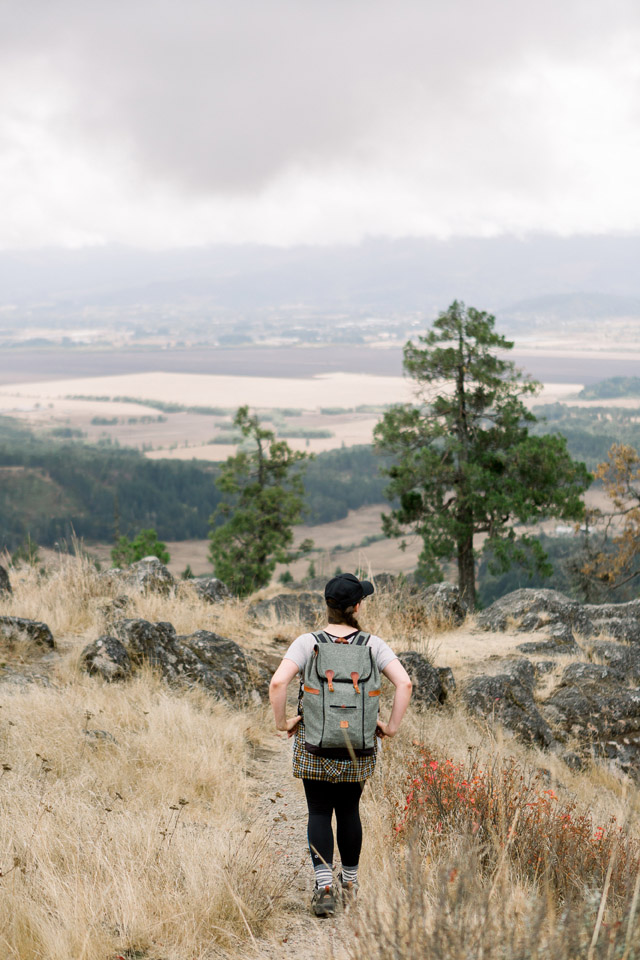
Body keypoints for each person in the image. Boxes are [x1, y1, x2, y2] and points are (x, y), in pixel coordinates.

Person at [269, 572, 412, 917]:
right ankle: (349, 885)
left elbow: (278, 684)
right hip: (358, 744)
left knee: (318, 811)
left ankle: (324, 890)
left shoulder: (307, 642)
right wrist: (390, 728)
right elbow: (405, 684)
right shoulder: (373, 645)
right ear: (357, 607)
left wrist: (282, 723)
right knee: (349, 811)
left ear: (329, 606)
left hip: (314, 741)